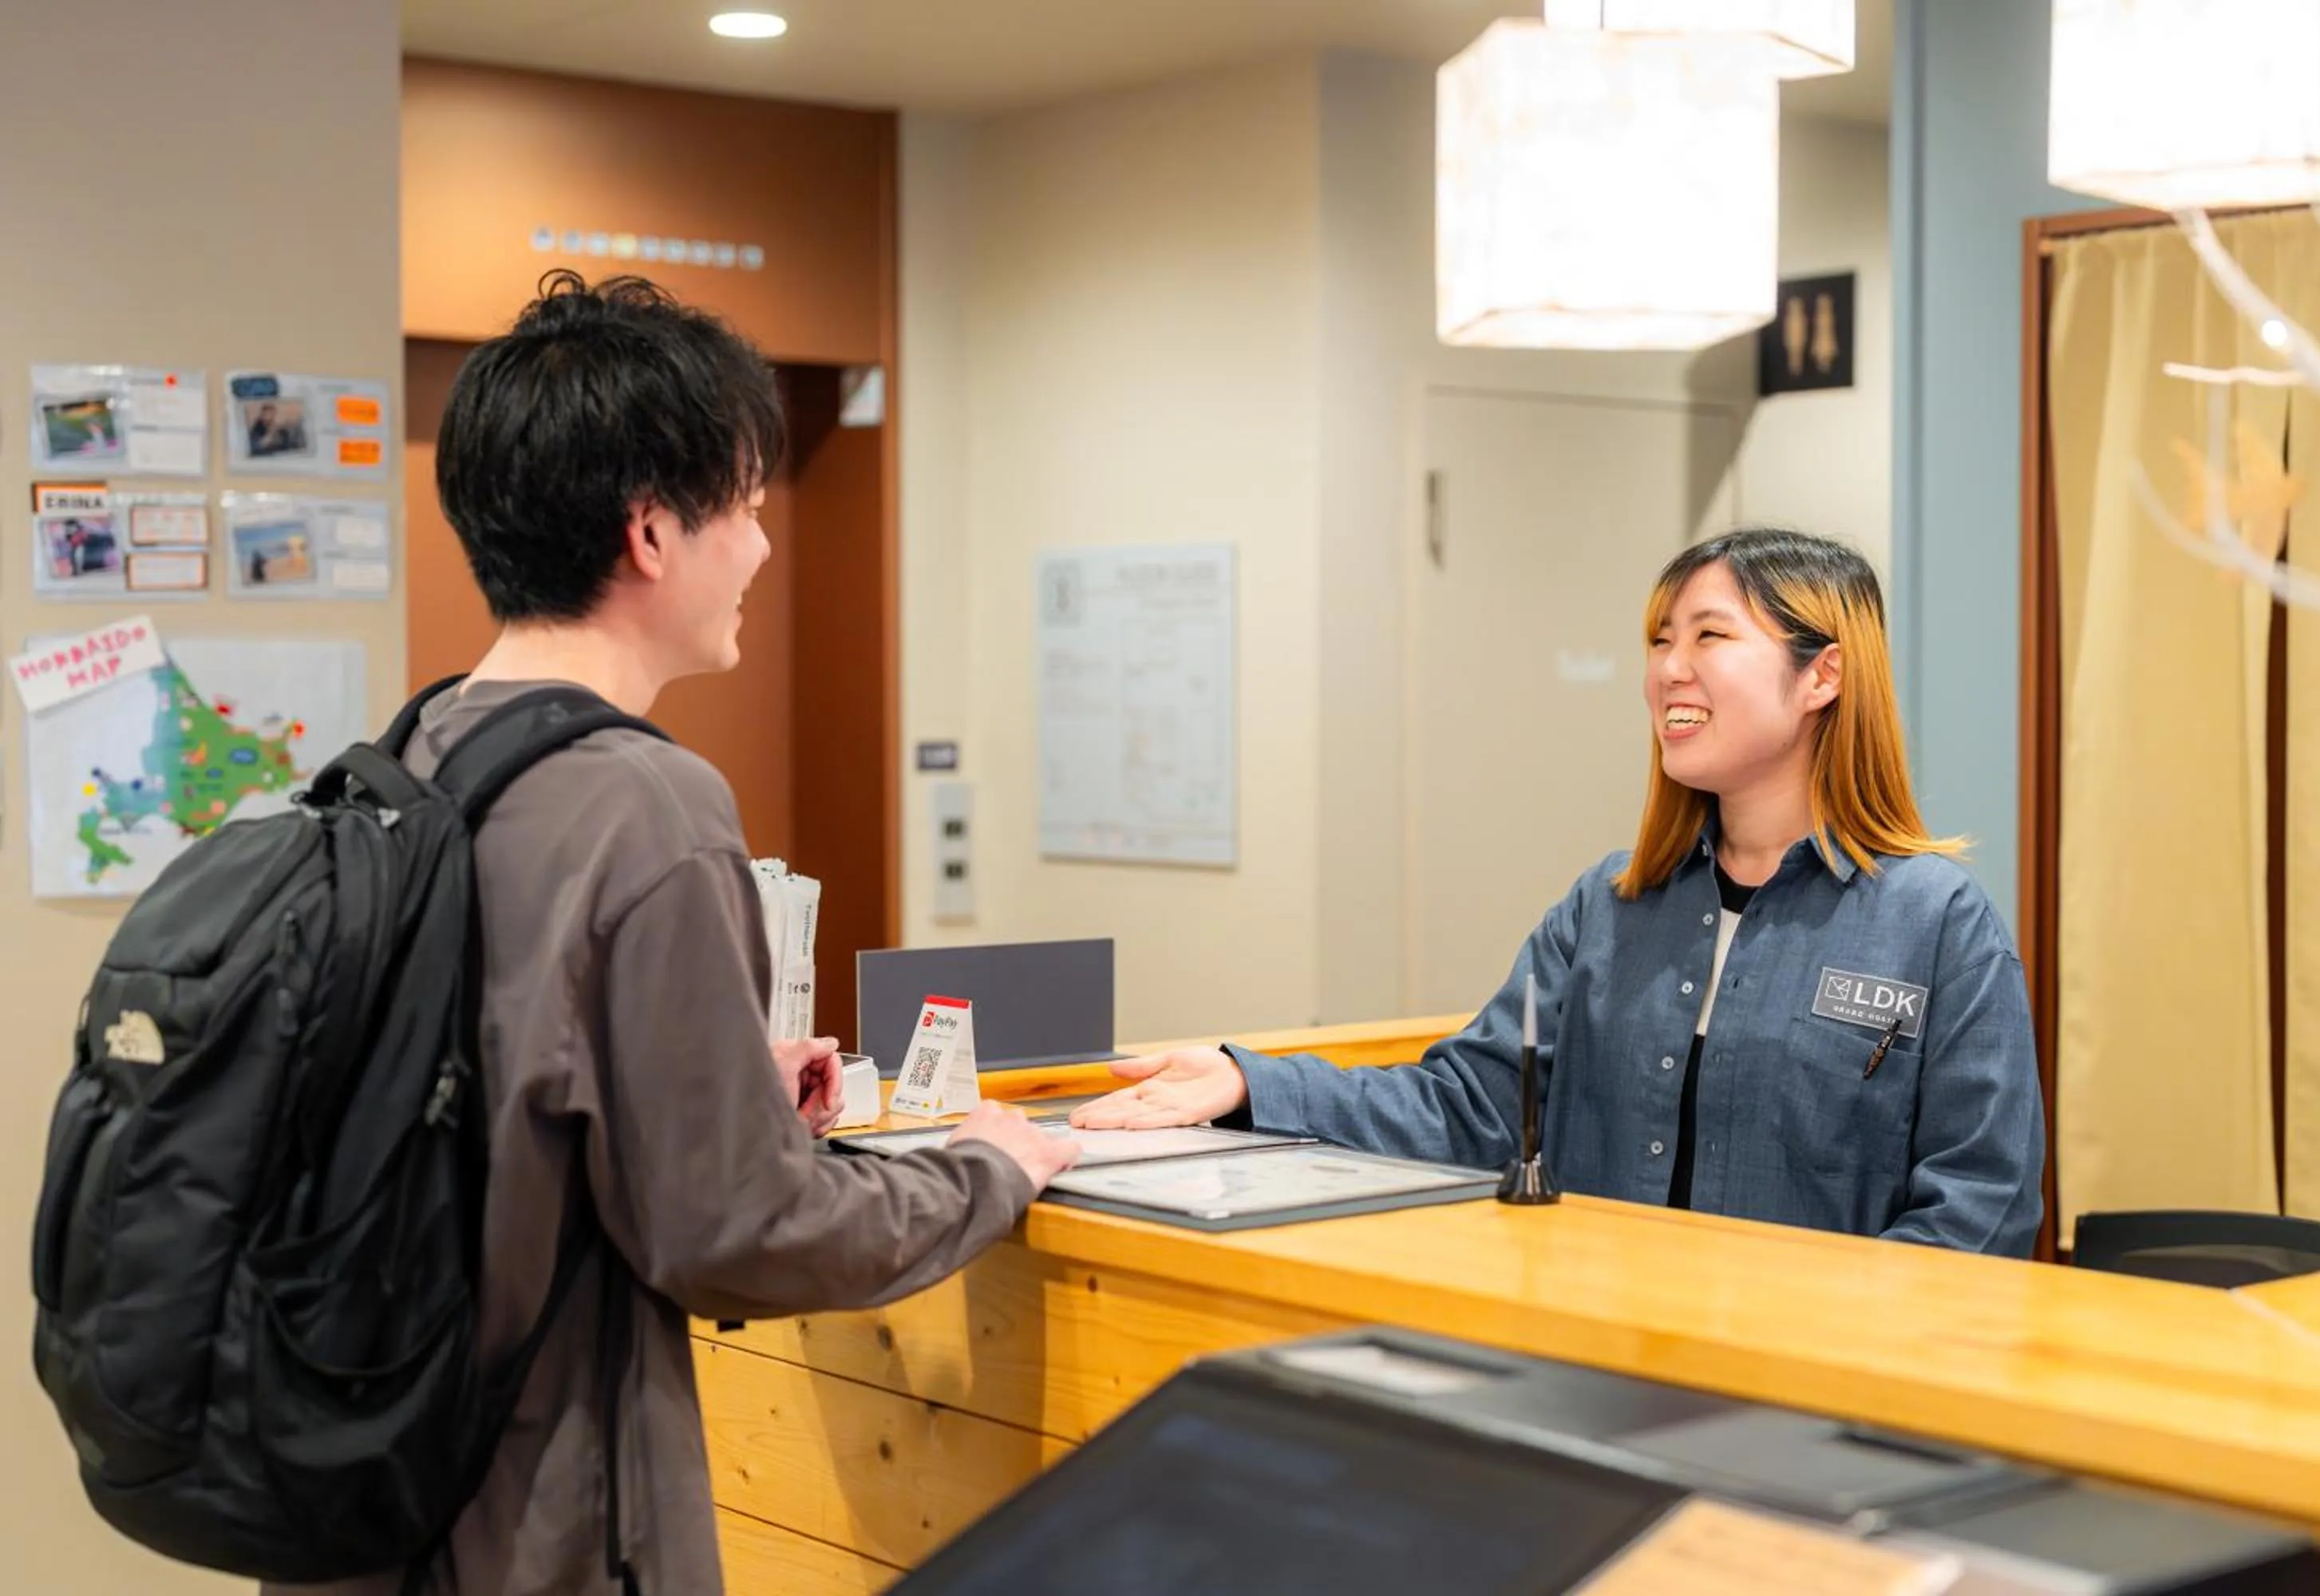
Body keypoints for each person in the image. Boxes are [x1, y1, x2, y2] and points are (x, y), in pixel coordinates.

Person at [273, 271, 1081, 1596]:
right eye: (749, 509)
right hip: (546, 1525)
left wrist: (713, 1083)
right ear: (653, 535)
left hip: (366, 1493)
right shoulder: (647, 806)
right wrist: (988, 1169)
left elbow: (486, 1094)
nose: (761, 546)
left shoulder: (408, 753)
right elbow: (735, 1233)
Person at [1075, 526, 2043, 1256]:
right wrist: (1254, 1079)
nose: (1670, 667)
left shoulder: (1935, 922)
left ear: (1822, 672)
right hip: (1598, 1368)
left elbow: (1983, 1200)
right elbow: (1470, 1108)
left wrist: (1830, 1356)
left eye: (1711, 634)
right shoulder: (1610, 908)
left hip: (1820, 1406)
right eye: (1661, 639)